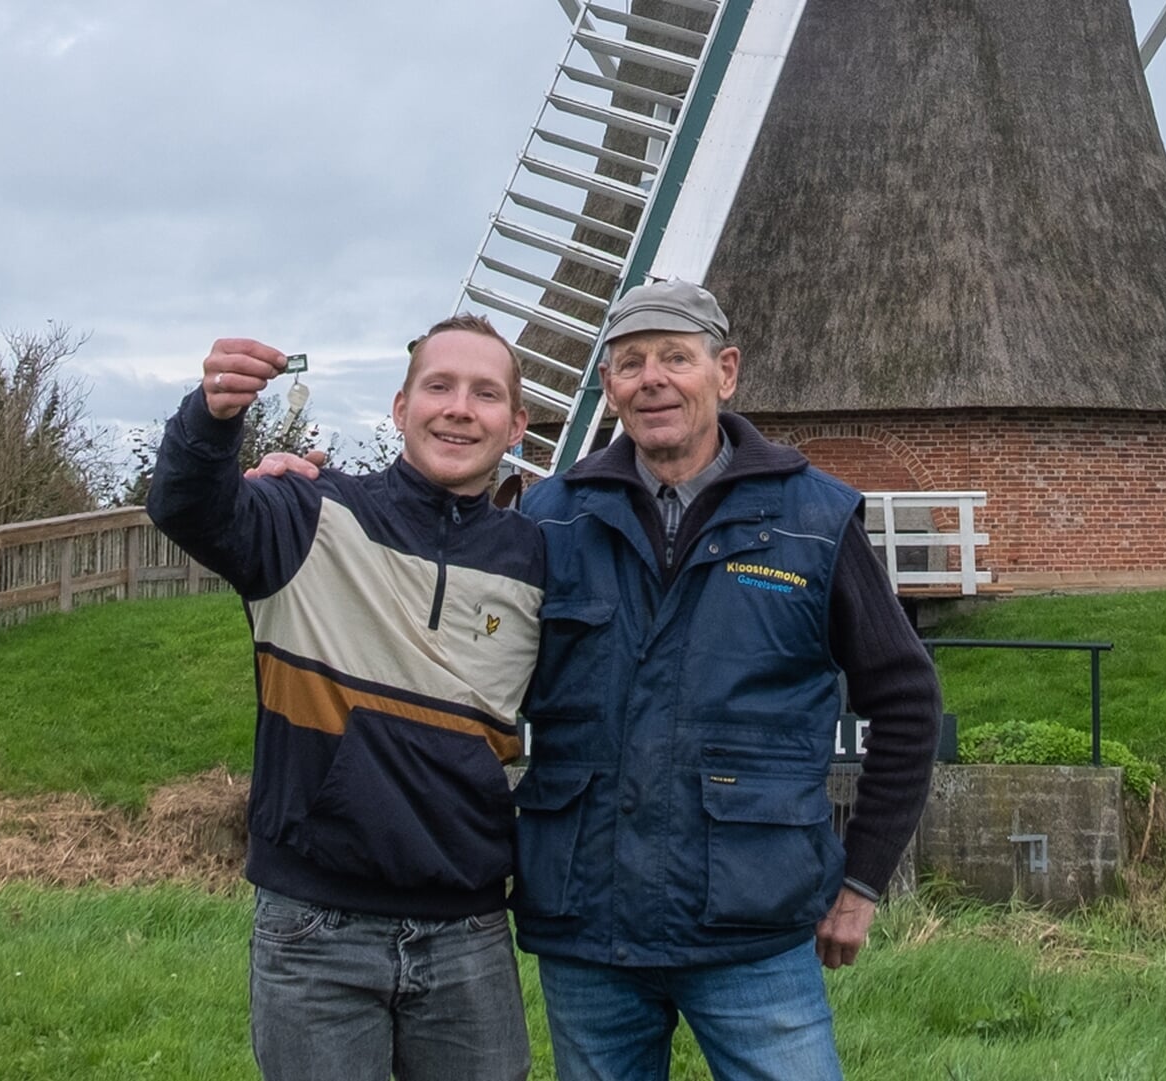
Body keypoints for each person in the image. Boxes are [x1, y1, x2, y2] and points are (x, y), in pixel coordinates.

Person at [512, 279, 942, 1080]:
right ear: (608, 384)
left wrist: (861, 879)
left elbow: (908, 701)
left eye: (676, 357)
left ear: (726, 371)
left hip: (753, 923)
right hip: (589, 925)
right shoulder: (550, 519)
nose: (653, 379)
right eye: (631, 362)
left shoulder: (812, 519)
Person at [146, 315, 543, 1081]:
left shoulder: (536, 563)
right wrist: (213, 416)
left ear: (516, 423)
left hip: (467, 929)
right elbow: (189, 506)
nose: (460, 407)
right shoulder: (308, 515)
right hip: (315, 929)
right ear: (400, 408)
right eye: (439, 386)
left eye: (485, 393)